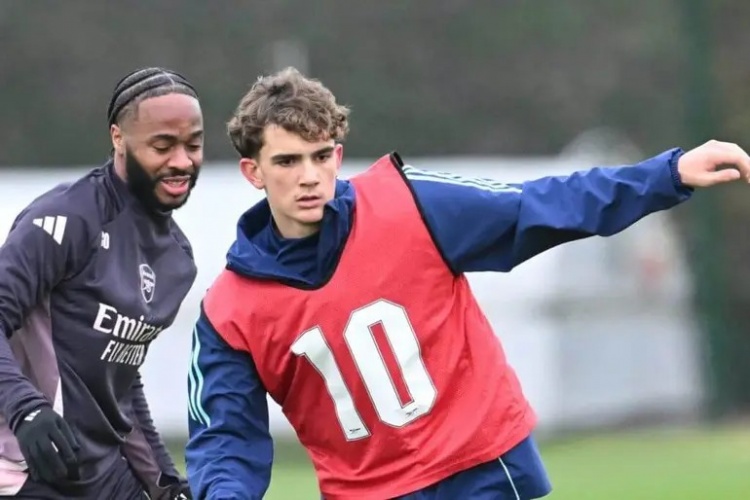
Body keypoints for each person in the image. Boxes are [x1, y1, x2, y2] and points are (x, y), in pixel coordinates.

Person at [184, 67, 750, 500]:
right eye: (287, 162)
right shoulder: (230, 311)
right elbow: (225, 438)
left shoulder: (411, 204)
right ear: (253, 171)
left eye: (319, 156)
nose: (309, 176)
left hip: (482, 470)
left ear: (338, 155)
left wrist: (666, 175)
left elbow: (543, 205)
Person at [0, 67, 202, 500]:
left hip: (104, 477)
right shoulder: (66, 218)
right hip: (23, 469)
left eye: (193, 145)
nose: (182, 161)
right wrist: (26, 409)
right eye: (163, 146)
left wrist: (164, 483)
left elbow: (120, 381)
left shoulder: (178, 260)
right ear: (118, 138)